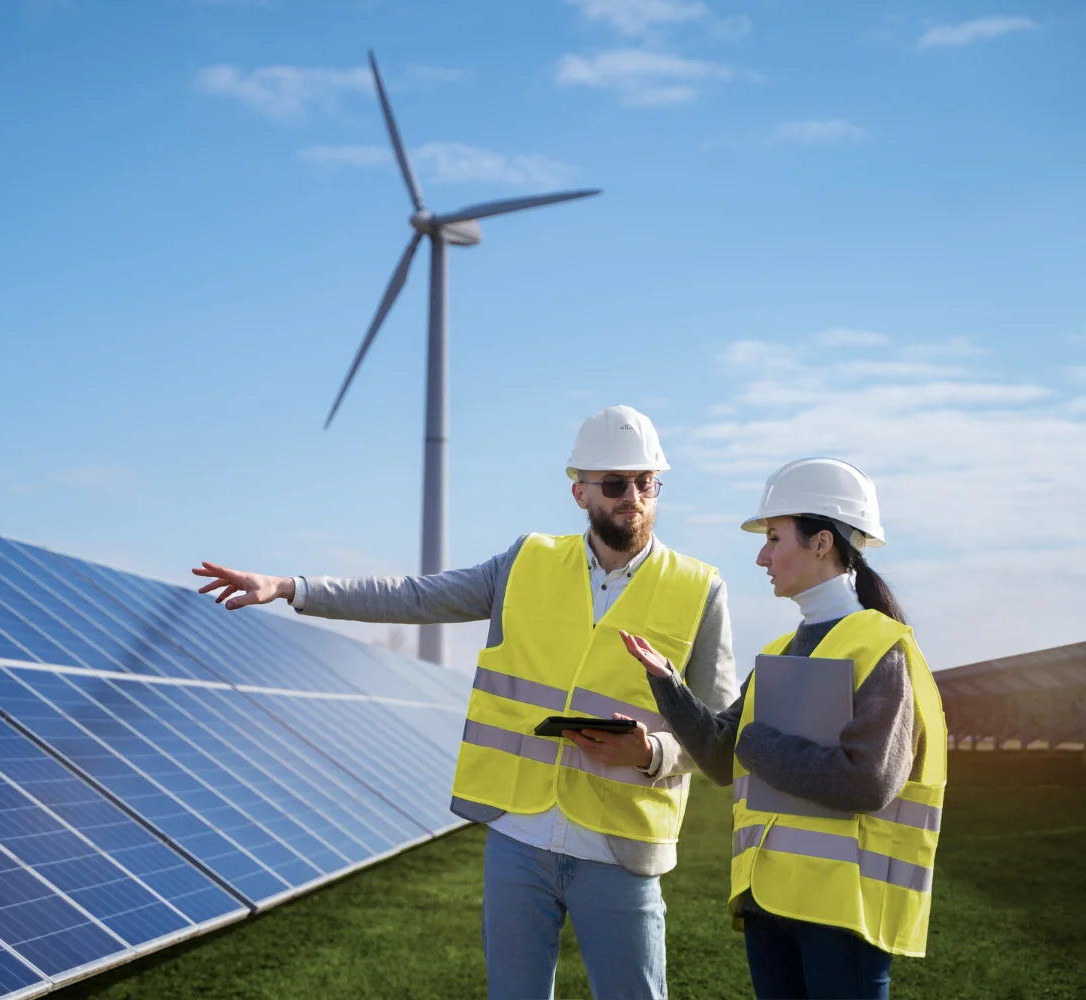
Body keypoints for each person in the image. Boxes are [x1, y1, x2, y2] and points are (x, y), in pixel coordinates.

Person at [193, 405, 739, 1000]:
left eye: (646, 483)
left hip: (621, 846)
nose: (632, 497)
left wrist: (651, 752)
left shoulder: (699, 589)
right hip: (518, 837)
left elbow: (715, 735)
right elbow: (414, 597)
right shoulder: (526, 561)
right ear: (580, 491)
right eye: (614, 484)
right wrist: (290, 588)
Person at [618, 458, 947, 1000]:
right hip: (768, 901)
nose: (762, 555)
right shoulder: (778, 651)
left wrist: (757, 743)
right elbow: (724, 758)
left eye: (773, 537)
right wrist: (670, 686)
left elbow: (866, 781)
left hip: (844, 914)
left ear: (822, 542)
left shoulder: (881, 648)